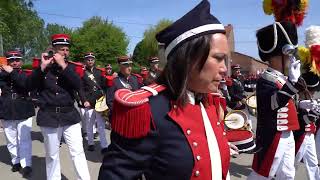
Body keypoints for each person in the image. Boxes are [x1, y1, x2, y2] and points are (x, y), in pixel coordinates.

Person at [99, 1, 236, 179]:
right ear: (188, 59)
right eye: (218, 58)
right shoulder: (148, 111)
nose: (225, 68)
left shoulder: (211, 102)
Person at [247, 21, 308, 180]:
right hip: (272, 134)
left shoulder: (283, 78)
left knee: (288, 174)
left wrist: (301, 104)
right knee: (263, 174)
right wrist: (291, 84)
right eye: (289, 53)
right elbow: (274, 103)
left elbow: (289, 102)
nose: (291, 58)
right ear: (278, 55)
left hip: (287, 134)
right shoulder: (266, 79)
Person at [25, 34, 90, 180]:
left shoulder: (72, 68)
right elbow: (29, 86)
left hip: (70, 116)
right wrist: (41, 67)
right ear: (54, 50)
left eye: (67, 49)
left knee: (78, 152)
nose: (65, 52)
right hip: (49, 117)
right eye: (62, 49)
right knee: (52, 155)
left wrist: (64, 66)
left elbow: (79, 85)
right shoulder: (44, 68)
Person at [0, 51, 35, 178]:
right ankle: (15, 161)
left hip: (23, 108)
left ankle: (26, 164)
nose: (14, 62)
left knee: (24, 139)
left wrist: (11, 72)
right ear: (7, 62)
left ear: (21, 61)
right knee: (11, 139)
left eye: (17, 60)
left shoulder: (26, 74)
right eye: (11, 60)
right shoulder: (1, 74)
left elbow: (26, 84)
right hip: (6, 109)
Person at [79, 52, 108, 153]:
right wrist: (84, 100)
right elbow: (81, 89)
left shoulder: (99, 72)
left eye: (91, 59)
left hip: (99, 102)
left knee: (101, 125)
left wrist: (109, 78)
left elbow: (104, 86)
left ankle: (104, 145)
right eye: (88, 59)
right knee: (89, 124)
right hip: (89, 102)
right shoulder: (82, 73)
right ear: (85, 61)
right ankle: (90, 143)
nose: (90, 61)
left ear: (94, 61)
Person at [294, 71, 320, 180]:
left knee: (313, 162)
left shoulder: (311, 101)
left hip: (309, 136)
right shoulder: (296, 102)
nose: (313, 93)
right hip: (300, 135)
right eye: (311, 91)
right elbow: (300, 121)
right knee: (292, 163)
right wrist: (312, 116)